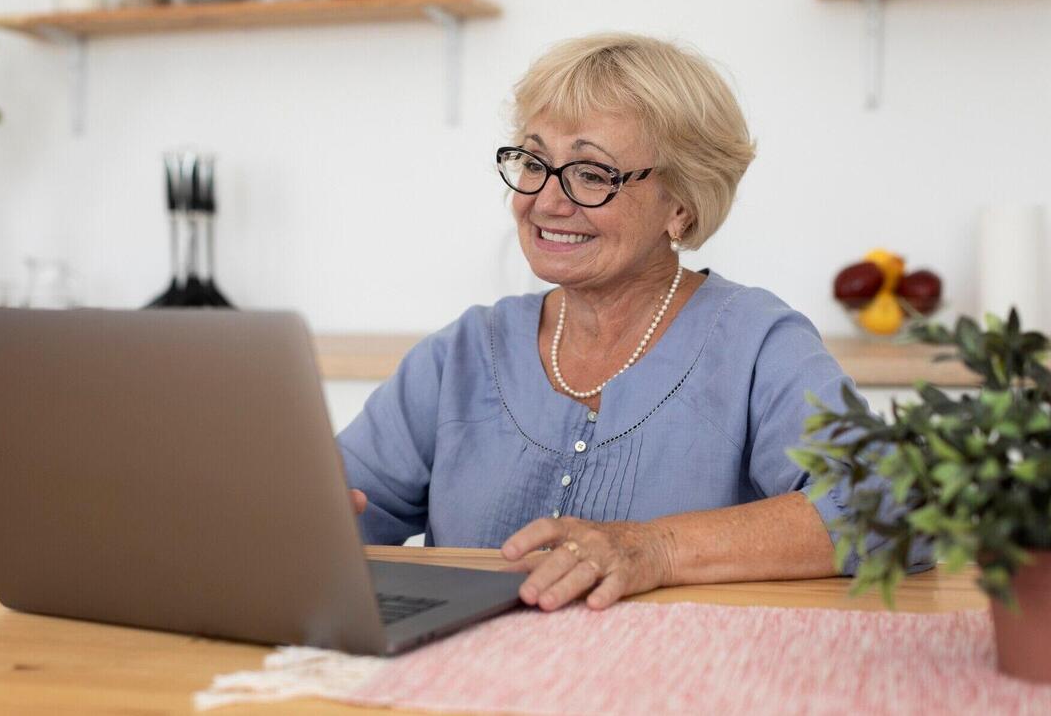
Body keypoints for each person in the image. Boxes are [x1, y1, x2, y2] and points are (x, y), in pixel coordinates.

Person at [340, 33, 924, 613]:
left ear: (681, 205)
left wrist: (655, 550)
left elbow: (894, 508)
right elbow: (341, 513)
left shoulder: (756, 343)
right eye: (533, 161)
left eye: (592, 174)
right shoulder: (464, 353)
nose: (545, 200)